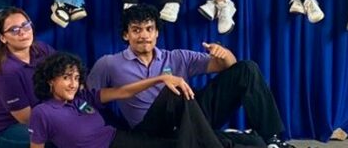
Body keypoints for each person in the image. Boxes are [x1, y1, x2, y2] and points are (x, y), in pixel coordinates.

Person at [86, 4, 294, 148]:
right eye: (136, 30)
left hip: (190, 116)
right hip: (151, 129)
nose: (144, 35)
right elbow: (88, 98)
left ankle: (272, 138)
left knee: (247, 68)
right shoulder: (109, 63)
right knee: (173, 90)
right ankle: (221, 139)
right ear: (126, 35)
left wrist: (224, 55)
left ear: (157, 32)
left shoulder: (177, 57)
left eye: (149, 29)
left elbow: (230, 67)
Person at [32, 51, 225, 148]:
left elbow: (123, 92)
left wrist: (160, 78)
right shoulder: (43, 112)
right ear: (50, 80)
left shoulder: (83, 97)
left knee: (179, 142)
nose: (73, 84)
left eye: (76, 78)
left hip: (120, 139)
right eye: (66, 77)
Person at [0, 8, 54, 148]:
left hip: (42, 114)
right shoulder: (6, 71)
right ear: (3, 38)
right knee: (57, 136)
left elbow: (66, 70)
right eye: (14, 30)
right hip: (6, 129)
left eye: (25, 25)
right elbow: (26, 118)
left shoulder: (42, 49)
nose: (22, 32)